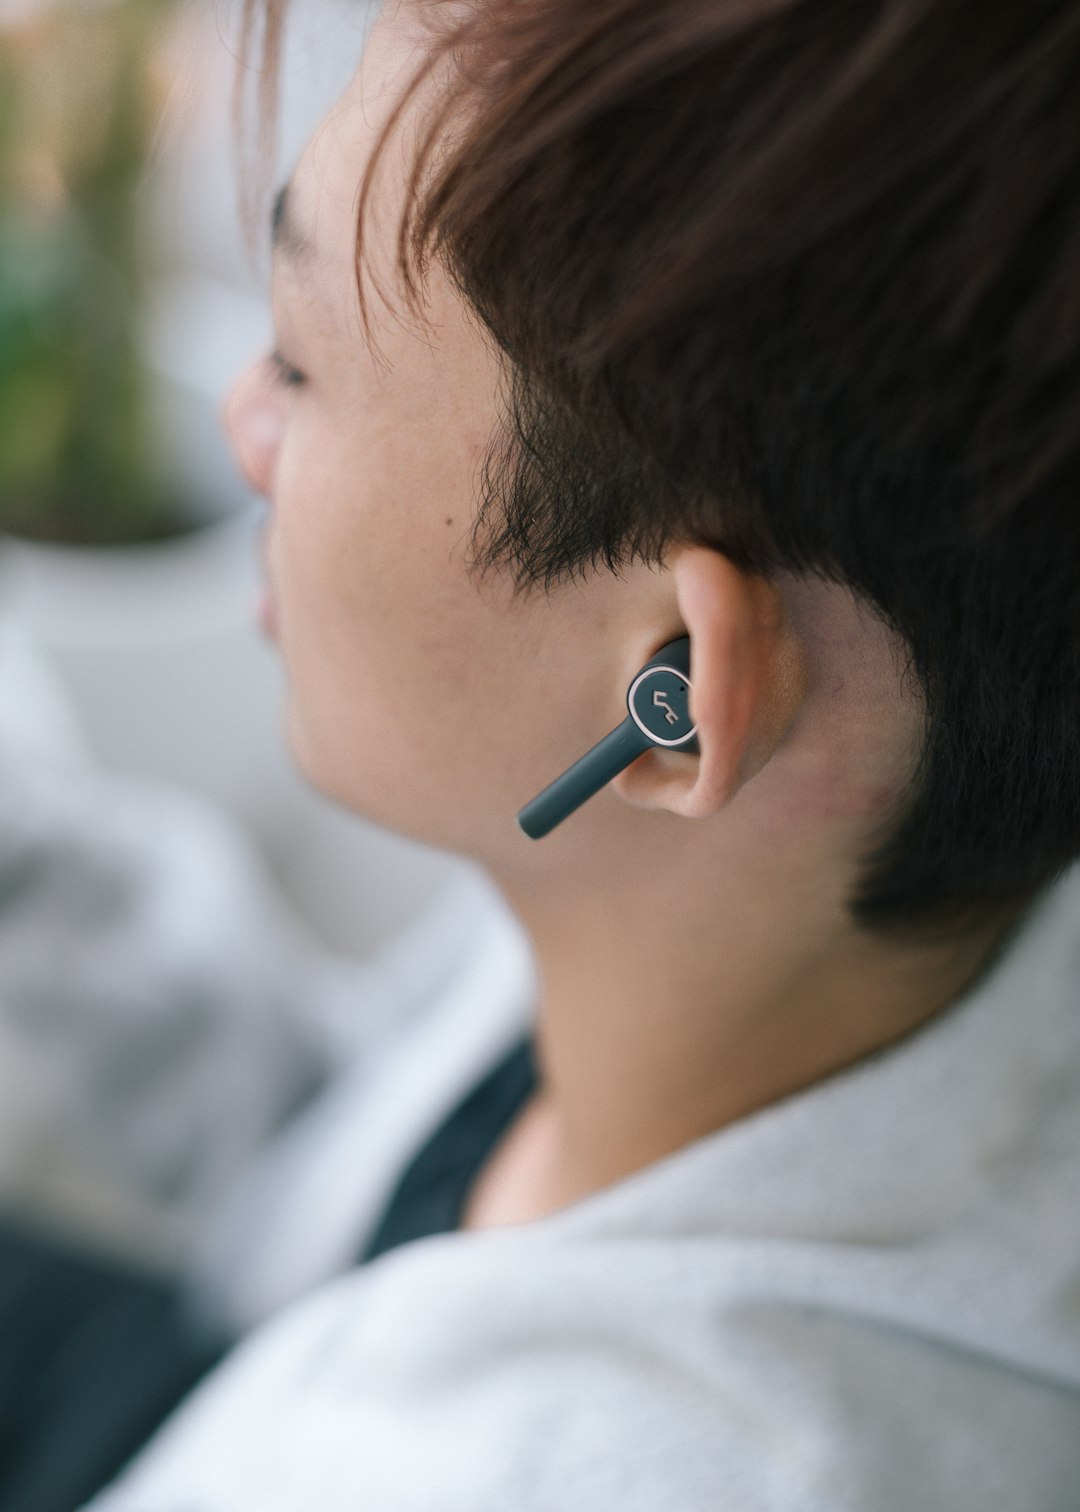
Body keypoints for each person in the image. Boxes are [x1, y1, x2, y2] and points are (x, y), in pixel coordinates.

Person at [83, 0, 1080, 1507]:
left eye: (298, 361)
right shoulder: (722, 932)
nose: (244, 424)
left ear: (674, 701)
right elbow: (308, 1202)